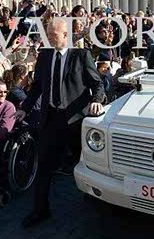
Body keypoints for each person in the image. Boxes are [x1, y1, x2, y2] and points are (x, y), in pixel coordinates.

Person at [21, 18, 105, 228]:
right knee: (44, 165)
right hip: (50, 118)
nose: (49, 38)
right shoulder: (44, 55)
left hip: (75, 120)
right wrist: (24, 108)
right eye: (48, 34)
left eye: (53, 35)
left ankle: (96, 204)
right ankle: (40, 210)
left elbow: (97, 84)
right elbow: (37, 86)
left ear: (66, 36)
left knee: (86, 163)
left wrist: (96, 100)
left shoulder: (81, 56)